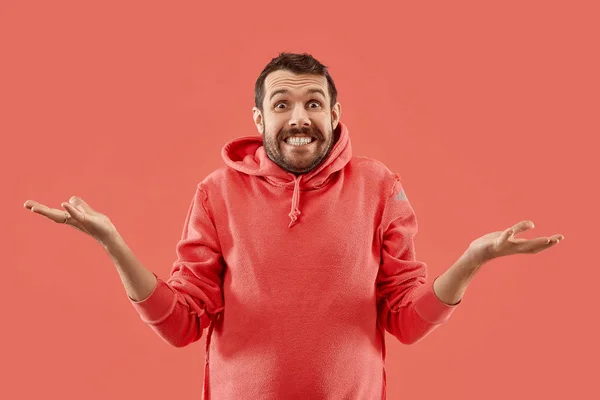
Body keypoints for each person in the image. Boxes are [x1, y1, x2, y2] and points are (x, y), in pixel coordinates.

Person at [23, 52, 563, 400]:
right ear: (260, 121)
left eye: (313, 102)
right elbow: (183, 325)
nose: (299, 116)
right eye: (282, 104)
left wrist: (472, 260)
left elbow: (406, 320)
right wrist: (112, 243)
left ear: (334, 113)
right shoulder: (217, 192)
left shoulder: (378, 185)